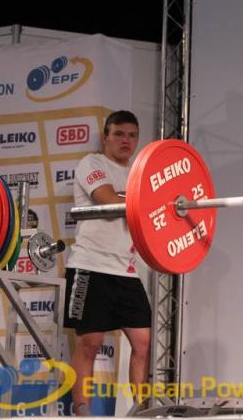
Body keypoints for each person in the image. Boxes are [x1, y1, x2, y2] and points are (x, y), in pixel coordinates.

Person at [63, 110, 151, 415]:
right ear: (106, 137)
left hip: (126, 270)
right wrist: (139, 201)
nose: (126, 141)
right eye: (119, 134)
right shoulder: (92, 163)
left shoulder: (139, 174)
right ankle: (83, 413)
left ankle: (141, 411)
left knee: (142, 342)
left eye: (132, 135)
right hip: (90, 266)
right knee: (90, 342)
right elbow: (107, 200)